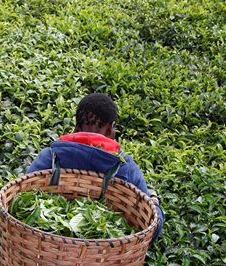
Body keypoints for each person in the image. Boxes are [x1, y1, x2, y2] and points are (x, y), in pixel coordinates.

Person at [26, 93, 164, 239]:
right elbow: (152, 229)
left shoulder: (51, 156)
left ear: (77, 127)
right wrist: (154, 201)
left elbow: (22, 192)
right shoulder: (125, 167)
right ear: (111, 129)